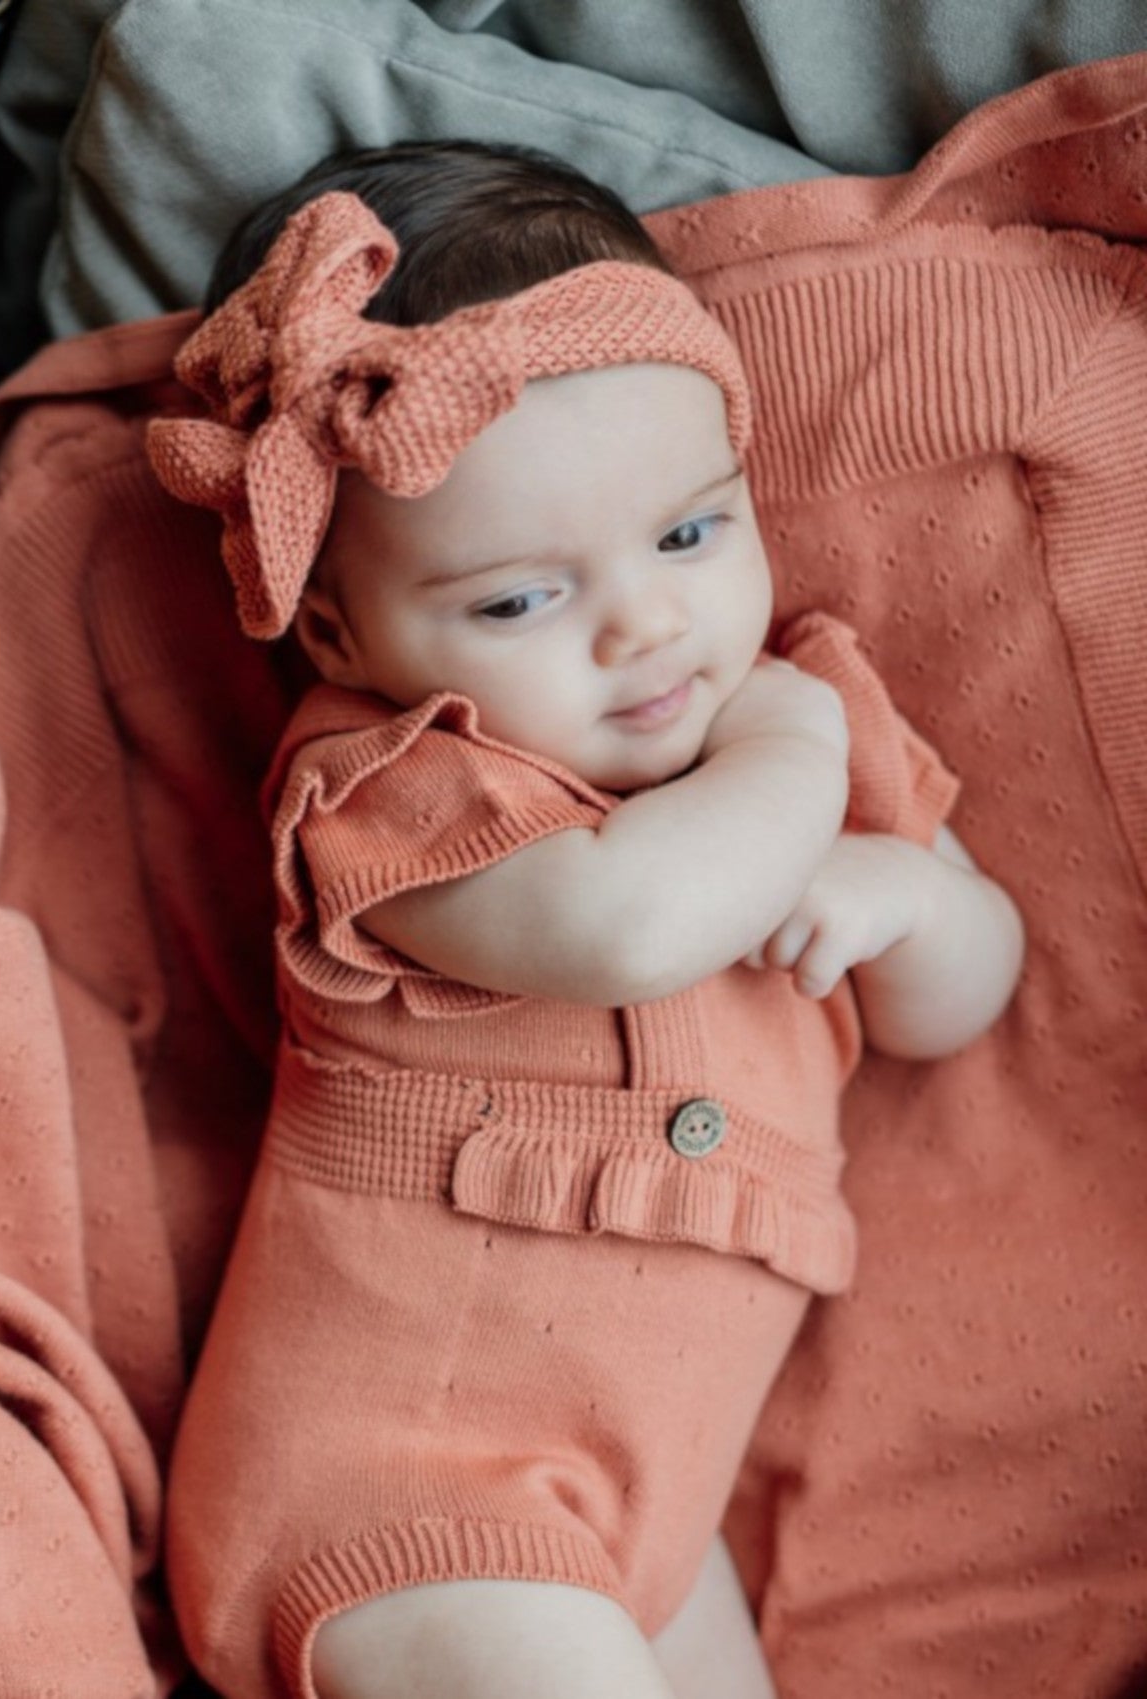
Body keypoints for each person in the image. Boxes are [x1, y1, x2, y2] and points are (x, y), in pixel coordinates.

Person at [145, 140, 1024, 1699]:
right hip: (402, 1489)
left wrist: (914, 902)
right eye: (516, 600)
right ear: (343, 629)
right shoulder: (385, 782)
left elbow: (959, 1004)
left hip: (640, 1524)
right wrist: (798, 754)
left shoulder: (814, 745)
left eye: (690, 536)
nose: (646, 627)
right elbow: (626, 928)